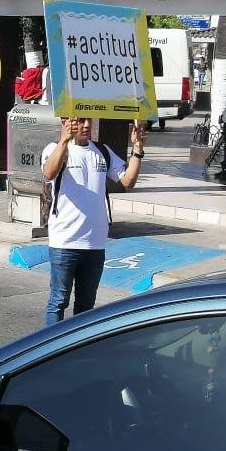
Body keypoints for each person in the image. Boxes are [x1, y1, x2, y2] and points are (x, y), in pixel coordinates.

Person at [41, 117, 145, 326]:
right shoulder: (55, 148)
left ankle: (79, 344)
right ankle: (51, 344)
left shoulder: (102, 151)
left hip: (95, 244)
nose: (87, 125)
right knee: (59, 301)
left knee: (86, 306)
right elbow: (49, 173)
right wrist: (64, 140)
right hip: (64, 242)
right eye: (80, 120)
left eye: (89, 120)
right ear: (65, 121)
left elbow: (128, 180)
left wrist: (137, 148)